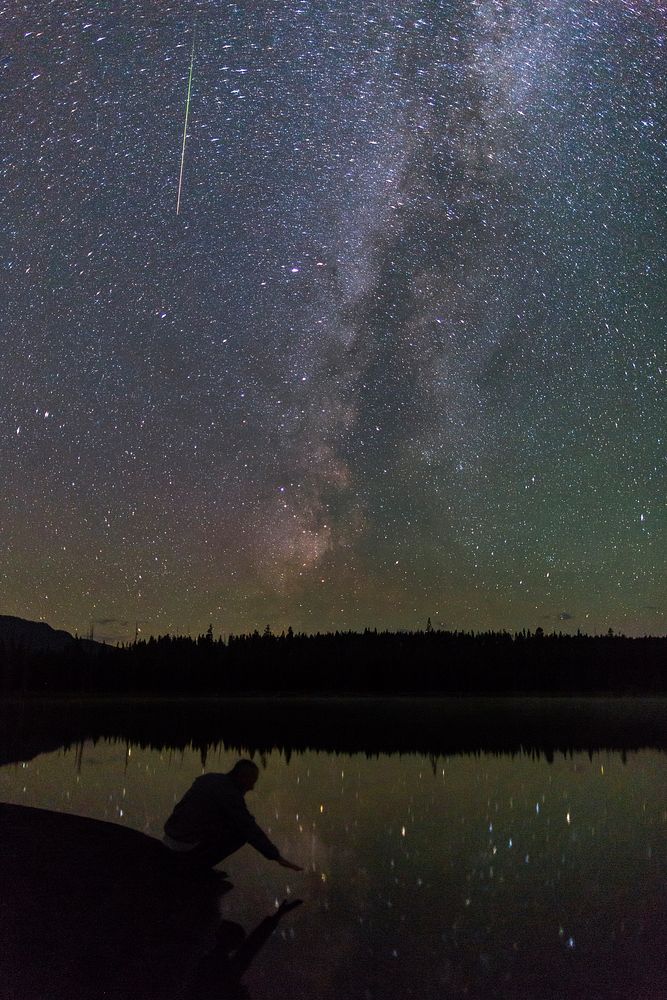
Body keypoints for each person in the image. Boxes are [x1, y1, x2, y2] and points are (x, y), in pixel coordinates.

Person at [163, 759, 302, 872]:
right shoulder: (230, 795)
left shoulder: (208, 779)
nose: (252, 787)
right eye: (252, 781)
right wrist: (276, 857)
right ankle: (198, 866)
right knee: (240, 834)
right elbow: (249, 827)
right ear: (242, 778)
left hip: (170, 835)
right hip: (184, 844)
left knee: (233, 824)